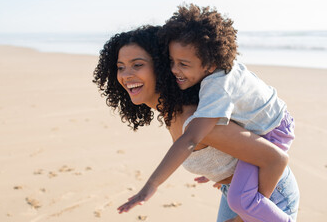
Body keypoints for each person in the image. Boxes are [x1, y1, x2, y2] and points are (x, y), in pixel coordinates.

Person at [92, 25, 299, 221]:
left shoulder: (196, 119)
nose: (126, 75)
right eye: (120, 67)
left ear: (162, 68)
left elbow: (275, 159)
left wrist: (150, 186)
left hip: (268, 196)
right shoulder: (173, 111)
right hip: (237, 194)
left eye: (137, 65)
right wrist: (218, 171)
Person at [157, 4, 299, 221]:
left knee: (240, 200)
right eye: (172, 62)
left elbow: (193, 135)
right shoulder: (216, 74)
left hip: (273, 130)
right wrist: (219, 169)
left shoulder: (217, 85)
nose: (175, 70)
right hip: (271, 124)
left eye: (183, 64)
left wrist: (152, 184)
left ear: (211, 63)